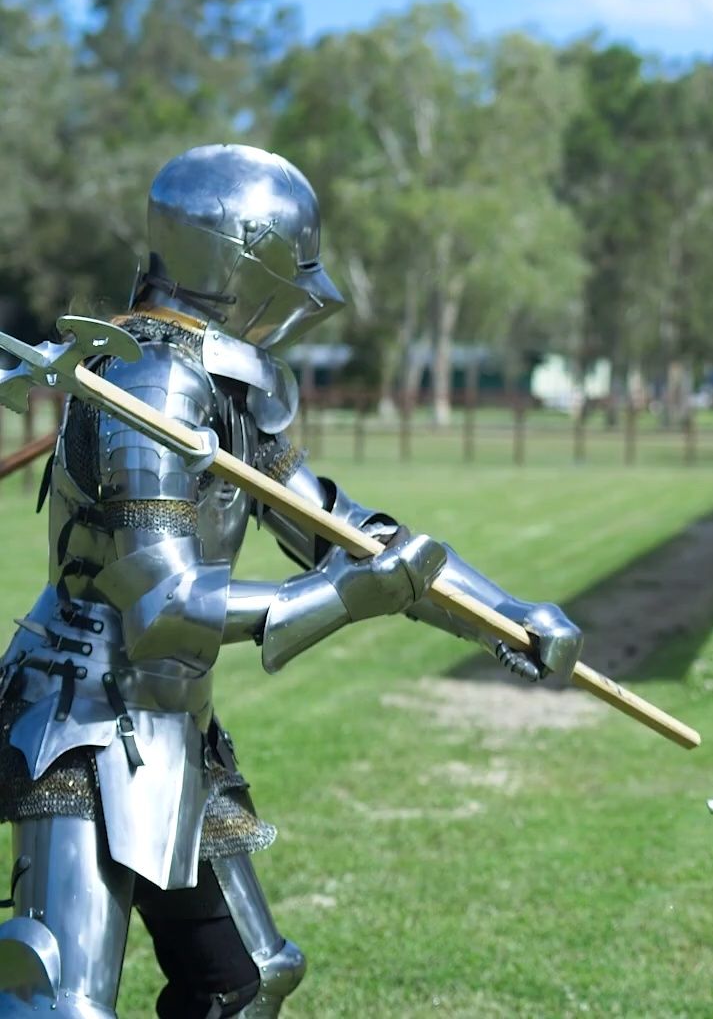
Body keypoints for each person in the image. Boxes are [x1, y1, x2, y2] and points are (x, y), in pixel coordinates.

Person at [0, 144, 583, 1018]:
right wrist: (351, 598)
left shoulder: (218, 382)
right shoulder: (149, 384)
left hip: (172, 732)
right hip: (81, 722)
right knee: (60, 1003)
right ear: (238, 259)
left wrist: (504, 617)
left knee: (249, 980)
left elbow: (340, 529)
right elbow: (163, 608)